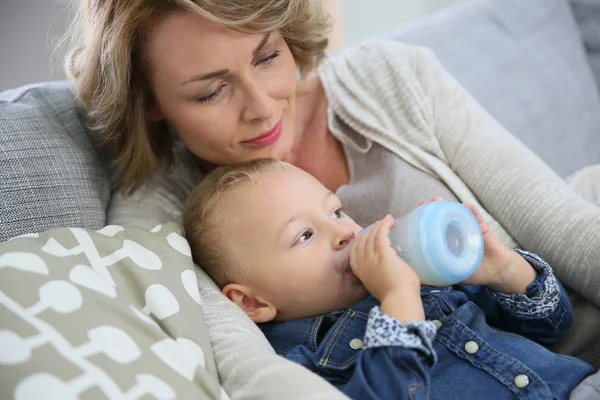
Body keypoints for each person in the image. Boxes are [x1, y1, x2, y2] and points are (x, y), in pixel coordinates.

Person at [63, 0, 600, 394]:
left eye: (268, 56)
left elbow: (565, 235)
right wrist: (399, 304)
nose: (264, 106)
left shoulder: (389, 79)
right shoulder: (164, 223)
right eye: (211, 90)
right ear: (149, 100)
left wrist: (508, 273)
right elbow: (259, 378)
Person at [181, 157, 594, 399]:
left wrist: (504, 272)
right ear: (252, 303)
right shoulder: (302, 363)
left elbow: (551, 328)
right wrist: (398, 298)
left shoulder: (424, 278)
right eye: (304, 235)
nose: (344, 232)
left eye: (336, 211)